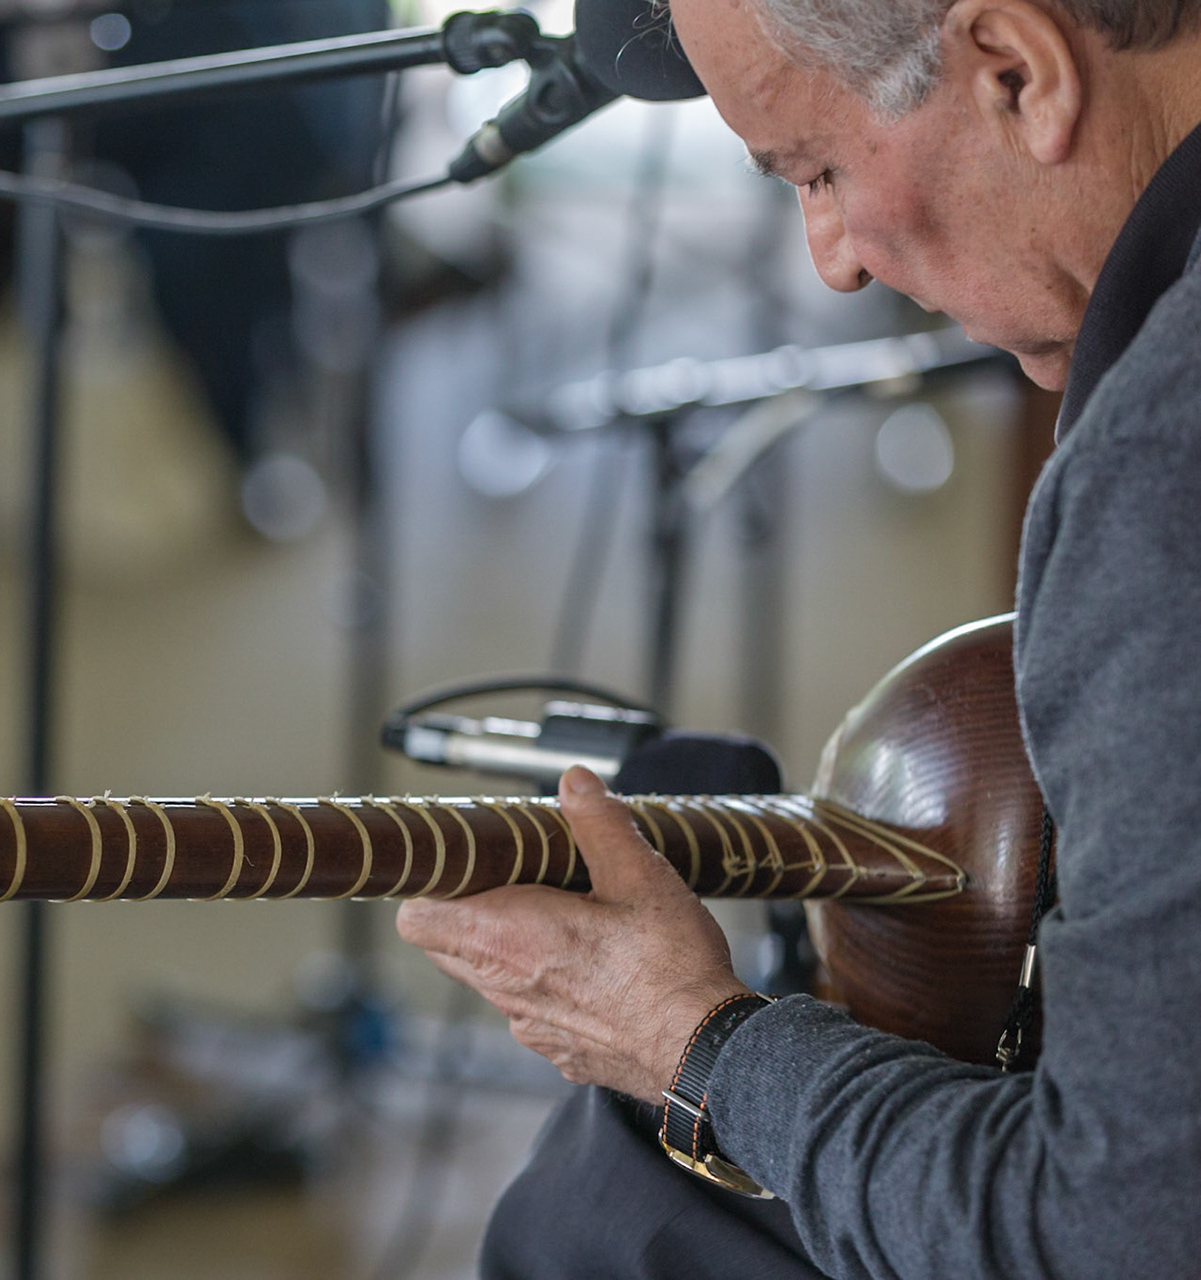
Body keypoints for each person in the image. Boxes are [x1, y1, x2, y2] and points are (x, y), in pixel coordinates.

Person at [397, 0, 1201, 1276]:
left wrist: (688, 1036)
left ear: (1017, 71)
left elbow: (1114, 1232)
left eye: (819, 172)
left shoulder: (1161, 471)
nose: (834, 257)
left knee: (612, 1209)